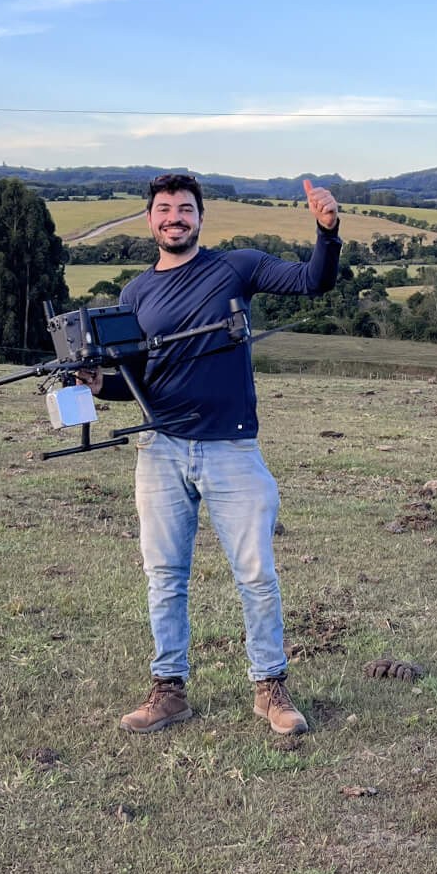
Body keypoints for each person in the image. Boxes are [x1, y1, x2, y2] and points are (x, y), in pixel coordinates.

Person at [82, 171, 341, 735]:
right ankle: (168, 690)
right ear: (149, 220)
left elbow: (312, 282)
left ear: (201, 217)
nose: (174, 217)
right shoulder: (135, 294)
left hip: (231, 447)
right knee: (165, 574)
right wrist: (98, 385)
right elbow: (139, 379)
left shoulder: (236, 267)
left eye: (185, 208)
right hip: (160, 449)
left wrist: (327, 232)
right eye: (164, 209)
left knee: (255, 574)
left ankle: (270, 688)